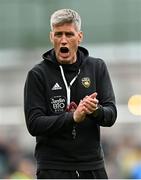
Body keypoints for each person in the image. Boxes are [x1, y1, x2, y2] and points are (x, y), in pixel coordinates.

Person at [24, 8, 117, 179]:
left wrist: (95, 110)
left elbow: (111, 115)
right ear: (51, 37)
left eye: (69, 34)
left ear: (80, 37)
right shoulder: (37, 74)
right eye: (58, 34)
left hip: (92, 166)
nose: (63, 41)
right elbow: (34, 123)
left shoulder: (97, 67)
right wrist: (72, 117)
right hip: (53, 168)